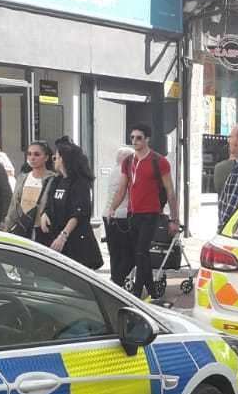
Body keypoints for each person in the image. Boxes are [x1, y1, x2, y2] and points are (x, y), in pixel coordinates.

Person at [106, 124, 179, 299]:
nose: (134, 141)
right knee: (140, 253)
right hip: (133, 213)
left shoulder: (159, 161)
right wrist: (112, 208)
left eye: (138, 138)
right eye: (132, 138)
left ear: (147, 139)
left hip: (151, 213)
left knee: (141, 251)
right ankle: (152, 291)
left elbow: (170, 190)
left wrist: (174, 219)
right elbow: (122, 188)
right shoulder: (128, 161)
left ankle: (137, 293)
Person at [41, 138, 103, 270]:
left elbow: (79, 212)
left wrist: (63, 235)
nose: (54, 160)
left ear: (63, 159)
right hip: (56, 233)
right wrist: (44, 214)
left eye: (55, 157)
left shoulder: (80, 183)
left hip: (74, 239)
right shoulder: (56, 180)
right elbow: (49, 202)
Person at [4, 141, 55, 243]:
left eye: (37, 154)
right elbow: (14, 205)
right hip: (23, 229)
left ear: (46, 157)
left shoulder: (53, 179)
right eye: (29, 154)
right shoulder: (23, 177)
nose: (32, 158)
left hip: (43, 231)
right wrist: (7, 228)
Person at [105, 146, 136, 286]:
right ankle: (117, 280)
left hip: (108, 215)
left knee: (115, 253)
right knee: (129, 253)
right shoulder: (125, 172)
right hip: (122, 216)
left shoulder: (113, 171)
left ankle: (115, 279)